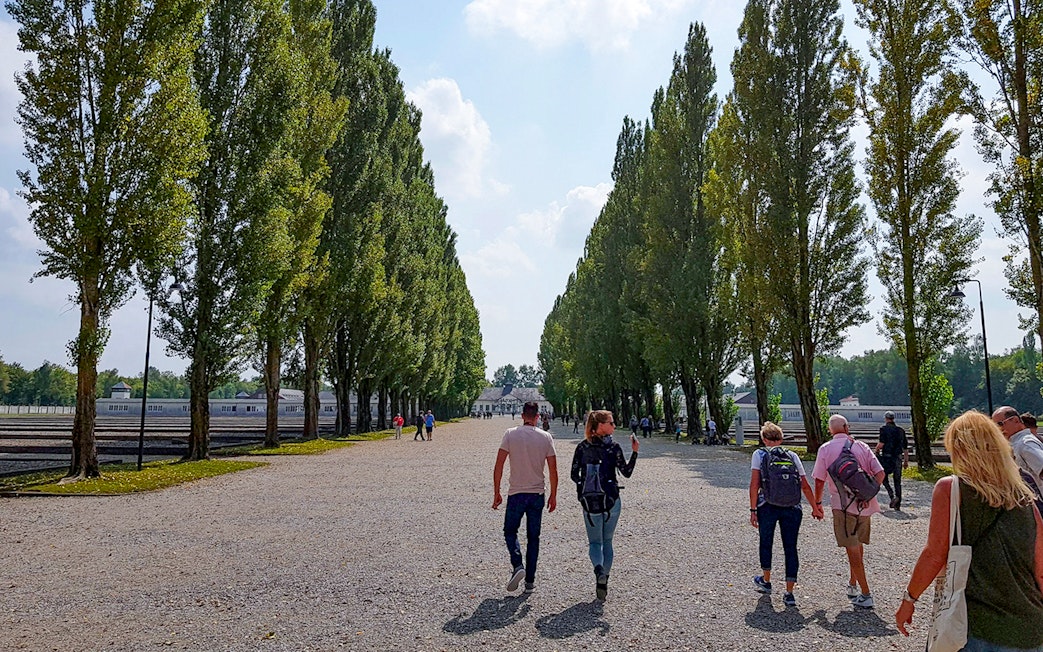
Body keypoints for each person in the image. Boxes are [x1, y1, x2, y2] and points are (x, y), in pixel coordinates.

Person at [895, 411, 1043, 650]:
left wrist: (909, 599)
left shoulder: (951, 489)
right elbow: (1041, 571)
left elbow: (934, 554)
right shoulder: (1026, 498)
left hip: (976, 628)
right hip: (1029, 628)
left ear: (960, 449)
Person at [812, 414, 885, 609]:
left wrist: (817, 503)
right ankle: (853, 585)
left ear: (830, 430)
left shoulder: (825, 449)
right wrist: (867, 494)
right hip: (865, 506)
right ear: (846, 427)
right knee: (857, 546)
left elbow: (819, 480)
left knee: (852, 550)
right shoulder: (861, 446)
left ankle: (866, 594)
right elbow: (880, 473)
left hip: (842, 506)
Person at [750, 422, 824, 607]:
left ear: (764, 439)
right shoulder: (792, 455)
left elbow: (754, 484)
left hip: (767, 505)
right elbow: (804, 485)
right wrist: (815, 507)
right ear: (781, 439)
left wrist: (752, 510)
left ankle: (766, 581)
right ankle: (789, 592)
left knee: (766, 542)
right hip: (792, 506)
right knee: (790, 547)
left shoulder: (759, 454)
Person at [571, 409, 638, 601]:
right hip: (611, 500)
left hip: (589, 501)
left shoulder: (582, 447)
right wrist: (635, 452)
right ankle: (604, 579)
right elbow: (626, 472)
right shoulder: (613, 448)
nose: (614, 426)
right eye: (611, 422)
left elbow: (574, 475)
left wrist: (586, 482)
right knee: (607, 541)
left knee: (594, 542)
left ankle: (598, 569)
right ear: (601, 425)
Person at [492, 401, 558, 594]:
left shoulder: (511, 434)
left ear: (522, 416)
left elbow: (499, 465)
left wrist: (497, 491)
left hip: (516, 492)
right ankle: (529, 581)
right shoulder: (545, 437)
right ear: (538, 417)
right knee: (533, 537)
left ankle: (517, 563)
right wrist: (553, 494)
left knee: (510, 531)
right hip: (537, 493)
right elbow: (553, 469)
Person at [994, 406, 1043, 507]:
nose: (999, 429)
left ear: (1016, 420)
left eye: (1000, 424)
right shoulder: (1017, 443)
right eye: (995, 426)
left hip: (1037, 503)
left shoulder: (1025, 443)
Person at [875, 411, 909, 510]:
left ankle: (892, 495)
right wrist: (906, 461)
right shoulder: (901, 430)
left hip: (887, 458)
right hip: (898, 458)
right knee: (897, 481)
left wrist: (876, 451)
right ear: (893, 419)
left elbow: (881, 443)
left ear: (886, 418)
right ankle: (897, 504)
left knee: (883, 478)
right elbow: (905, 448)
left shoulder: (884, 429)